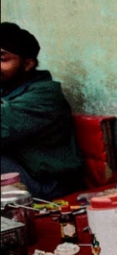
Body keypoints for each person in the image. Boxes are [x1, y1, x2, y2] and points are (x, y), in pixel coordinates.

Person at [1, 22, 84, 200]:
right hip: (17, 177)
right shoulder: (6, 89)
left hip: (48, 187)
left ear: (28, 64)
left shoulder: (45, 95)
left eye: (2, 59)